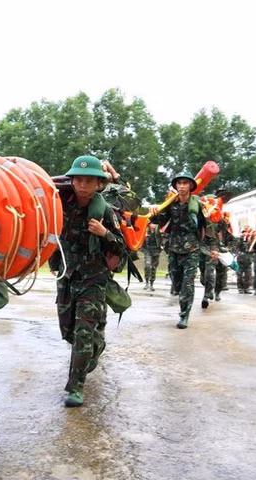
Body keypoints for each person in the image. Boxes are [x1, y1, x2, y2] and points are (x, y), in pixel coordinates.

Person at [48, 155, 126, 407]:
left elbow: (123, 248)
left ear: (98, 184)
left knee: (83, 332)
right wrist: (53, 263)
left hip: (93, 278)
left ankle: (75, 387)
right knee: (68, 331)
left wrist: (105, 234)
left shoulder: (104, 210)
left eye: (89, 181)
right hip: (67, 277)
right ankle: (97, 342)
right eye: (78, 180)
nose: (82, 185)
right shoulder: (61, 202)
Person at [149, 173, 210, 329]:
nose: (182, 186)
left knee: (187, 284)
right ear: (176, 186)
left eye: (185, 183)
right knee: (176, 281)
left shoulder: (198, 206)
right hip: (174, 248)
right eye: (179, 183)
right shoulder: (171, 204)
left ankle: (184, 315)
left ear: (191, 186)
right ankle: (181, 299)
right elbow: (159, 221)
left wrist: (213, 248)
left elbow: (208, 228)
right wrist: (155, 212)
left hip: (192, 249)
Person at [142, 221, 162, 291]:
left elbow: (164, 238)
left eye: (155, 224)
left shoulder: (158, 231)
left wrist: (162, 246)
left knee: (153, 268)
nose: (153, 225)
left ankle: (151, 284)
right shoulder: (145, 231)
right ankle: (147, 282)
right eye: (152, 224)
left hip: (156, 251)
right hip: (147, 250)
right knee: (147, 265)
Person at [236, 227, 253, 294]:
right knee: (239, 275)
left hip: (248, 260)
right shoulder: (239, 240)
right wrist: (241, 238)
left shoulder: (250, 240)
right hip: (241, 260)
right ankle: (240, 288)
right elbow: (236, 246)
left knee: (248, 275)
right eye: (244, 232)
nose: (246, 234)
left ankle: (247, 288)